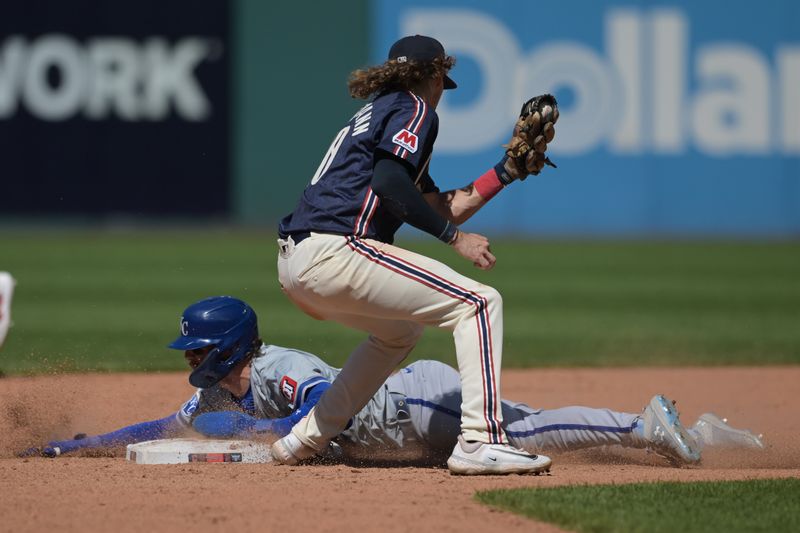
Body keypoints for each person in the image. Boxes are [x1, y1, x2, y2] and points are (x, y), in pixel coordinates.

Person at [21, 297, 764, 466]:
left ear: (229, 349)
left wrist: (249, 430)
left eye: (197, 352)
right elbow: (163, 427)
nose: (190, 363)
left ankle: (645, 423)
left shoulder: (281, 369)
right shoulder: (221, 390)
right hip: (404, 432)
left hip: (412, 402)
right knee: (528, 430)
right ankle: (682, 434)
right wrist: (78, 445)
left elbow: (321, 414)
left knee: (521, 430)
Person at [274, 34, 560, 474]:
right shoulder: (414, 108)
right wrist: (455, 240)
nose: (441, 92)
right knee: (480, 304)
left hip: (299, 262)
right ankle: (480, 440)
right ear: (432, 75)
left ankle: (305, 439)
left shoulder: (381, 113)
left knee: (399, 333)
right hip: (335, 250)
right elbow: (392, 187)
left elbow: (433, 204)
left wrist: (507, 171)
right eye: (443, 81)